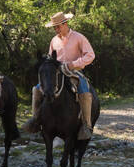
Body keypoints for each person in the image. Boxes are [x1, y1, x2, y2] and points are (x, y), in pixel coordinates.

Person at [25, 11, 95, 139]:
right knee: (37, 89)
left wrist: (73, 64)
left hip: (74, 71)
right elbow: (51, 58)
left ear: (65, 23)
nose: (56, 29)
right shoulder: (54, 41)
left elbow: (90, 55)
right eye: (54, 27)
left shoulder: (79, 37)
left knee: (84, 89)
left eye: (58, 26)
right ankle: (36, 120)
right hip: (56, 72)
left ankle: (86, 125)